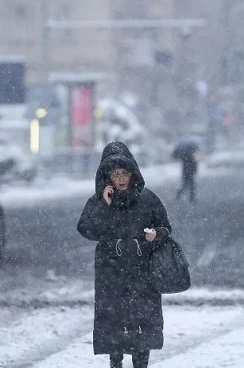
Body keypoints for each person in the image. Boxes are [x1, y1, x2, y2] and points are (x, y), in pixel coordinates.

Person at [77, 142, 173, 368]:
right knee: (114, 320)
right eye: (115, 174)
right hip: (110, 271)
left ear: (133, 173)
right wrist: (104, 205)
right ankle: (115, 361)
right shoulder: (99, 201)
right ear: (107, 176)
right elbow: (86, 229)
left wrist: (155, 234)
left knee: (143, 320)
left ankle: (141, 363)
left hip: (143, 269)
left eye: (124, 173)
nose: (120, 179)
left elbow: (166, 228)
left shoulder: (148, 199)